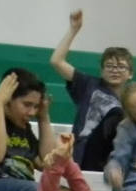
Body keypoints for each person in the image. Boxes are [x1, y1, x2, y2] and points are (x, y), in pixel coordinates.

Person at [50, 8, 131, 170]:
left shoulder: (131, 100)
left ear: (130, 74)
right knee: (116, 114)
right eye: (109, 66)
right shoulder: (88, 85)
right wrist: (74, 29)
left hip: (114, 154)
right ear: (101, 71)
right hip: (86, 150)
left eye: (121, 67)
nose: (115, 70)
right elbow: (56, 61)